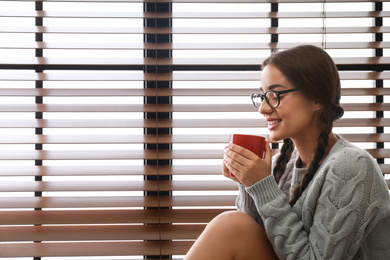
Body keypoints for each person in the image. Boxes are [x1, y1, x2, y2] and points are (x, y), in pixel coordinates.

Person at [184, 45, 390, 259]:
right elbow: (253, 234)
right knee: (233, 224)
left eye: (274, 94)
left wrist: (262, 187)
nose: (263, 108)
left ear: (316, 99)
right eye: (262, 96)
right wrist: (248, 183)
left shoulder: (351, 166)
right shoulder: (283, 165)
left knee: (230, 225)